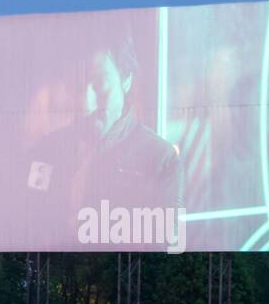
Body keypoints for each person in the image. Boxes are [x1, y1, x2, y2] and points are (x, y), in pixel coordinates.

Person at [24, 35, 182, 242]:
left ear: (126, 80)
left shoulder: (160, 159)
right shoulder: (46, 149)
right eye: (76, 86)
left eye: (99, 83)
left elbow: (156, 252)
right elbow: (26, 224)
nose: (85, 104)